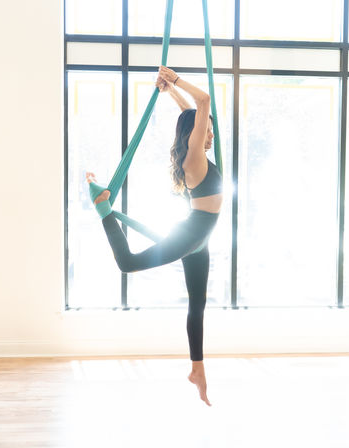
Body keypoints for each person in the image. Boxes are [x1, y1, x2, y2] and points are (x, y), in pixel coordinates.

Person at [86, 66, 222, 406]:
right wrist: (175, 79)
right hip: (193, 235)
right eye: (208, 131)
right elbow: (203, 101)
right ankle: (104, 210)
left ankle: (198, 370)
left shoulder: (196, 154)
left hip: (200, 239)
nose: (211, 136)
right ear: (197, 133)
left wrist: (170, 93)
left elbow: (191, 114)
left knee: (197, 305)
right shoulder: (194, 160)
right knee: (129, 263)